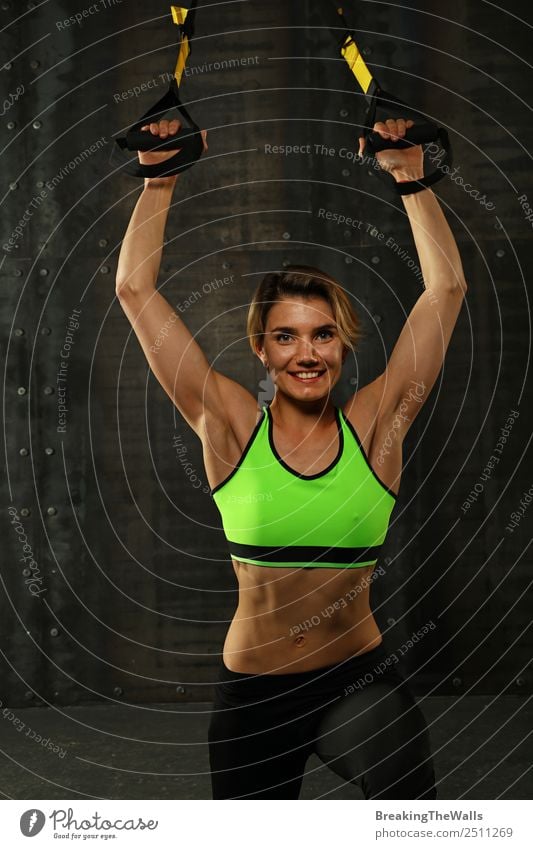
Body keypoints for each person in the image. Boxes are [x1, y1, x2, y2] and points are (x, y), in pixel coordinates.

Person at [116, 116, 467, 799]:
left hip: (354, 681)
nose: (306, 352)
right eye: (285, 336)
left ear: (342, 345)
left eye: (322, 335)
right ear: (262, 350)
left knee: (413, 820)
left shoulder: (375, 426)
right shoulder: (228, 426)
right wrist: (161, 176)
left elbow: (444, 292)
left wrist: (411, 177)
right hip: (254, 694)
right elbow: (134, 289)